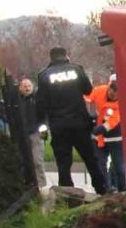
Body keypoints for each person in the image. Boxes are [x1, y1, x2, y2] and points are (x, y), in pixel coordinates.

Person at [36, 46, 110, 193]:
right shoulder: (76, 69)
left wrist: (42, 127)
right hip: (80, 123)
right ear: (66, 56)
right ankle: (102, 190)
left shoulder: (44, 75)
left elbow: (41, 104)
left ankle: (68, 197)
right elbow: (88, 90)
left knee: (63, 164)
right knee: (90, 159)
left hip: (59, 125)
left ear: (51, 58)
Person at [86, 73, 125, 192]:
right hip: (99, 139)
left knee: (119, 167)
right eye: (111, 94)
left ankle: (122, 189)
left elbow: (111, 123)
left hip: (115, 138)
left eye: (115, 96)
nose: (112, 97)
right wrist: (88, 115)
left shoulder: (122, 104)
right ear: (109, 88)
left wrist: (98, 129)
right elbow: (87, 99)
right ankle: (106, 190)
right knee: (100, 165)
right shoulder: (100, 90)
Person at [16, 77, 48, 188]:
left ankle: (42, 185)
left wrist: (43, 135)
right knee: (24, 161)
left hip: (36, 133)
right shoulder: (17, 101)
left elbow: (44, 118)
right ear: (20, 88)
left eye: (29, 86)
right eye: (25, 86)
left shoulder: (38, 99)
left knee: (37, 160)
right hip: (23, 134)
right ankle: (28, 184)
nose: (27, 88)